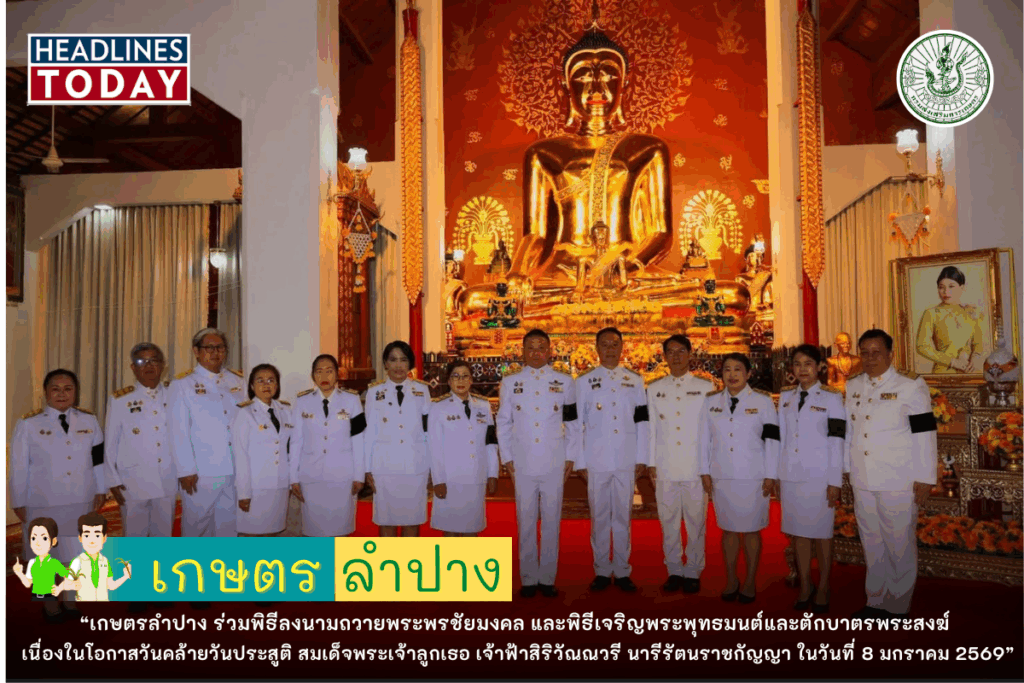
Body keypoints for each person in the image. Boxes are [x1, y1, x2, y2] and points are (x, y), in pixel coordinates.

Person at [847, 329, 937, 620]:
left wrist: (925, 476)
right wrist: (846, 470)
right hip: (862, 477)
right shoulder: (853, 385)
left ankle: (897, 606)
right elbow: (849, 432)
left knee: (898, 542)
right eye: (864, 352)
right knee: (871, 541)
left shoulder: (910, 385)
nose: (870, 358)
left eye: (876, 352)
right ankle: (875, 601)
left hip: (897, 477)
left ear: (890, 354)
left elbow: (924, 432)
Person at [11, 369, 105, 618]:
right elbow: (19, 466)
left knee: (73, 554)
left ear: (76, 392)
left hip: (80, 498)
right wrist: (18, 500)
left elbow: (98, 459)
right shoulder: (29, 423)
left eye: (68, 389)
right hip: (43, 500)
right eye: (55, 389)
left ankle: (70, 601)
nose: (62, 394)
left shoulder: (89, 420)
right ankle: (50, 606)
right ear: (46, 392)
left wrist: (101, 487)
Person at [496, 328, 580, 598]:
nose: (535, 353)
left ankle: (547, 578)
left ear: (549, 351)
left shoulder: (564, 382)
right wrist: (506, 457)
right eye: (530, 348)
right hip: (522, 462)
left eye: (541, 347)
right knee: (526, 520)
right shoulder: (511, 382)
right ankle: (529, 578)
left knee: (552, 520)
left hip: (554, 460)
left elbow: (573, 422)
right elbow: (503, 422)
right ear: (522, 351)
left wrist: (571, 456)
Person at [698, 353, 779, 604]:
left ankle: (750, 580)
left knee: (752, 530)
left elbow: (772, 440)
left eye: (738, 369)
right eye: (727, 369)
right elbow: (703, 439)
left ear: (748, 373)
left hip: (753, 476)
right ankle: (732, 579)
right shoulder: (710, 401)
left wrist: (771, 473)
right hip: (722, 474)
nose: (732, 375)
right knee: (729, 530)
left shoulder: (763, 401)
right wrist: (704, 471)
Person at [575, 327, 649, 593]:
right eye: (604, 344)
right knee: (599, 516)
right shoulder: (584, 382)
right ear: (596, 348)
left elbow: (642, 421)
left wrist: (642, 456)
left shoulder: (635, 380)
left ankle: (622, 568)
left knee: (622, 516)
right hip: (596, 459)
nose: (609, 349)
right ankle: (602, 570)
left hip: (626, 457)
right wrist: (579, 461)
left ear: (622, 347)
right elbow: (576, 424)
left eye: (614, 344)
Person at [778, 344, 846, 613]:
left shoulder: (832, 398)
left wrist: (835, 481)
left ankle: (824, 585)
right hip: (791, 475)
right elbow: (781, 439)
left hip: (820, 477)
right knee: (798, 534)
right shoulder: (786, 397)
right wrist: (778, 475)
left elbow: (837, 439)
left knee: (822, 534)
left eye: (808, 363)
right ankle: (806, 585)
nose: (802, 369)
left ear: (819, 367)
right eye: (797, 364)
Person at [646, 334, 714, 594]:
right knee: (669, 521)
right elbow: (651, 429)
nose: (675, 356)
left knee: (696, 521)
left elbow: (709, 430)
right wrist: (651, 463)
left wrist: (707, 466)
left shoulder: (706, 387)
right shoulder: (654, 389)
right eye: (671, 352)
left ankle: (694, 570)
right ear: (664, 357)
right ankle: (674, 569)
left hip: (695, 466)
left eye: (681, 351)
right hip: (665, 465)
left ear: (690, 354)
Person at [168, 328, 245, 539]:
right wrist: (185, 469)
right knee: (197, 528)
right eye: (209, 348)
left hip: (234, 468)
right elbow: (177, 431)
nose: (215, 352)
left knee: (229, 528)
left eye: (220, 347)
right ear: (196, 351)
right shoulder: (182, 384)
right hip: (201, 472)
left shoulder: (238, 381)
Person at [105, 343, 177, 540]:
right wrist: (112, 479)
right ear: (133, 367)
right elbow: (111, 442)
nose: (148, 365)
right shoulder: (120, 399)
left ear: (163, 365)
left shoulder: (174, 393)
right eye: (141, 361)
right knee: (134, 536)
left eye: (154, 360)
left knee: (163, 536)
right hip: (133, 480)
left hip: (167, 477)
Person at [291, 354, 366, 537]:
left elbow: (359, 440)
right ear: (312, 376)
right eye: (319, 371)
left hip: (342, 477)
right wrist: (293, 477)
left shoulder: (352, 400)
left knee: (340, 530)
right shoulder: (302, 401)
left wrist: (359, 475)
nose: (324, 376)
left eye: (329, 371)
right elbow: (296, 441)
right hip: (311, 476)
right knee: (314, 531)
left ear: (337, 374)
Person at [364, 341, 432, 537]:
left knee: (412, 520)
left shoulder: (422, 390)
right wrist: (366, 467)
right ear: (385, 363)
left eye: (403, 360)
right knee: (386, 521)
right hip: (384, 467)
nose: (398, 365)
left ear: (410, 363)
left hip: (415, 465)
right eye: (393, 360)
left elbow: (428, 431)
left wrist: (432, 465)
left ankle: (408, 559)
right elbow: (369, 432)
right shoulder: (374, 392)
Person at [428, 360, 500, 537]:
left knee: (472, 530)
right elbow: (434, 447)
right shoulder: (438, 407)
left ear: (471, 380)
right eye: (455, 376)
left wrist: (493, 473)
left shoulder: (483, 406)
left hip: (475, 477)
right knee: (450, 531)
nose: (460, 380)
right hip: (450, 479)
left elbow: (490, 443)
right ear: (448, 381)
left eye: (465, 376)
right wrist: (438, 479)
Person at [233, 364, 295, 536]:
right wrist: (243, 493)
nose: (266, 385)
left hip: (280, 485)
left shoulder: (285, 410)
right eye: (260, 381)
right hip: (256, 487)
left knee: (274, 534)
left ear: (277, 385)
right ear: (252, 386)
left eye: (271, 380)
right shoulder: (245, 413)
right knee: (254, 535)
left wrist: (290, 482)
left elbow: (290, 449)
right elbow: (240, 455)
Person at [915, 265, 984, 374]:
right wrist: (952, 362)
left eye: (951, 286)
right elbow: (922, 347)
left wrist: (974, 360)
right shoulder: (931, 313)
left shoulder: (971, 312)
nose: (946, 292)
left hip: (969, 372)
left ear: (962, 288)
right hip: (943, 372)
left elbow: (978, 344)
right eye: (941, 287)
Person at [61, 512, 131, 602]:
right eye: (87, 535)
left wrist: (125, 576)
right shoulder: (77, 561)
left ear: (104, 538)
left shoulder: (105, 561)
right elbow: (67, 585)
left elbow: (111, 586)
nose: (92, 540)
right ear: (80, 538)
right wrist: (72, 585)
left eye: (97, 535)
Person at [12, 518, 70, 623]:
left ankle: (62, 606)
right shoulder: (33, 563)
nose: (38, 543)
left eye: (44, 538)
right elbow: (28, 583)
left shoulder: (54, 562)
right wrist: (19, 573)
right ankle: (52, 610)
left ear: (53, 541)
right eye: (33, 538)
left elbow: (67, 576)